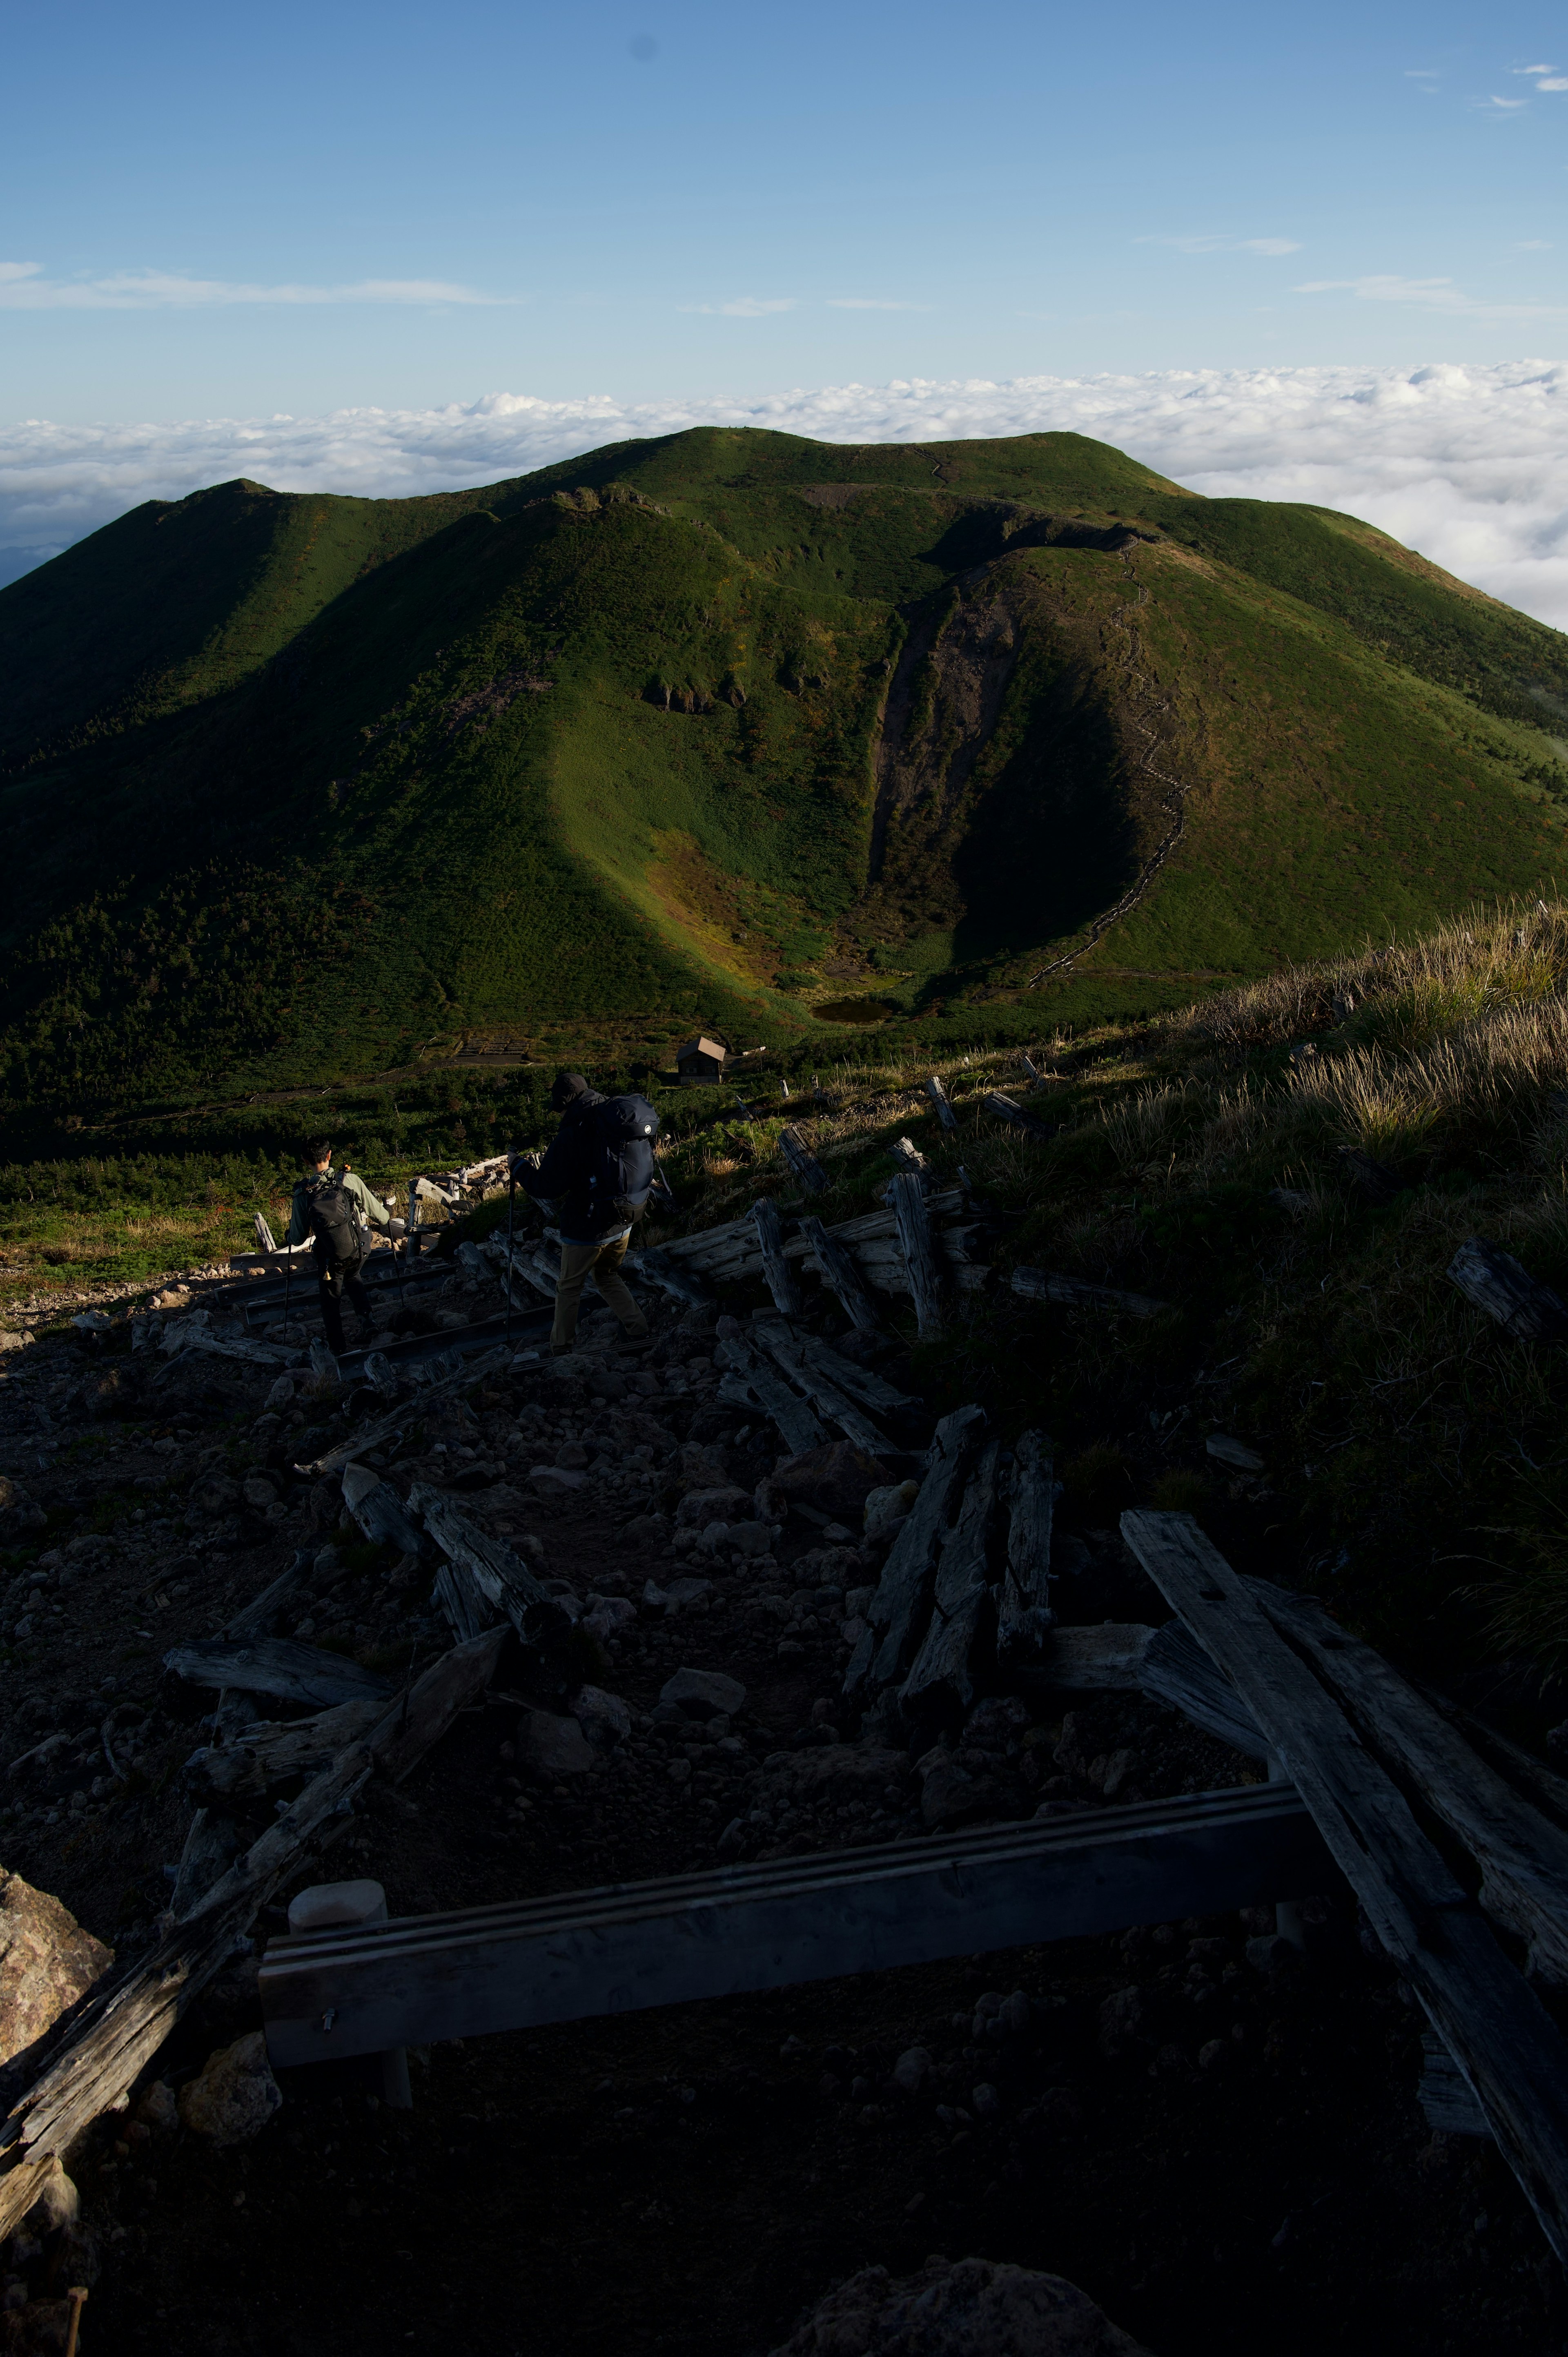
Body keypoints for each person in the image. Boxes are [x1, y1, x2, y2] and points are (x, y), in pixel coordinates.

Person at [512, 1072, 659, 1355]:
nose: (559, 1114)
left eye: (559, 1108)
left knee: (568, 1287)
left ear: (566, 1103)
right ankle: (638, 1328)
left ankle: (560, 1348)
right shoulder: (612, 1119)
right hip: (625, 1217)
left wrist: (517, 1166)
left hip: (588, 1226)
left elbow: (546, 1186)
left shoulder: (573, 1133)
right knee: (606, 1275)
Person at [285, 1140, 405, 1355]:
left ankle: (338, 1347)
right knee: (353, 1275)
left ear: (305, 1161)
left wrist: (289, 1235)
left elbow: (297, 1238)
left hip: (331, 1257)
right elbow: (383, 1217)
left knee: (331, 1297)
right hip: (360, 1248)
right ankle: (368, 1324)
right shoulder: (349, 1180)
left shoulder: (303, 1194)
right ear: (330, 1154)